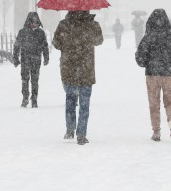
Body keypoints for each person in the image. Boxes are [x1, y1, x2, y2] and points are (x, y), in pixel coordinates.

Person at [52, 10, 104, 145]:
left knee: (70, 101)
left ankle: (70, 129)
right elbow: (99, 40)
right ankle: (81, 134)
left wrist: (68, 43)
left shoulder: (64, 24)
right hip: (86, 70)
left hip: (69, 69)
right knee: (84, 104)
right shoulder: (92, 24)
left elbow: (56, 44)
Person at [135, 9, 171, 142]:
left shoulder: (148, 37)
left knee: (154, 103)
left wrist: (147, 64)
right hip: (170, 74)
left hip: (152, 74)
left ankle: (156, 131)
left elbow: (139, 57)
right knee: (170, 102)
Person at [13, 12, 49, 108]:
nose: (34, 24)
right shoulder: (22, 32)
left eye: (35, 22)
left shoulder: (41, 33)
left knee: (35, 80)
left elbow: (45, 46)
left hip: (36, 59)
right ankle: (25, 98)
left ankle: (34, 99)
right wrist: (15, 58)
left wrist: (46, 57)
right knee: (25, 79)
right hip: (25, 59)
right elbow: (16, 46)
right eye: (32, 22)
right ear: (28, 22)